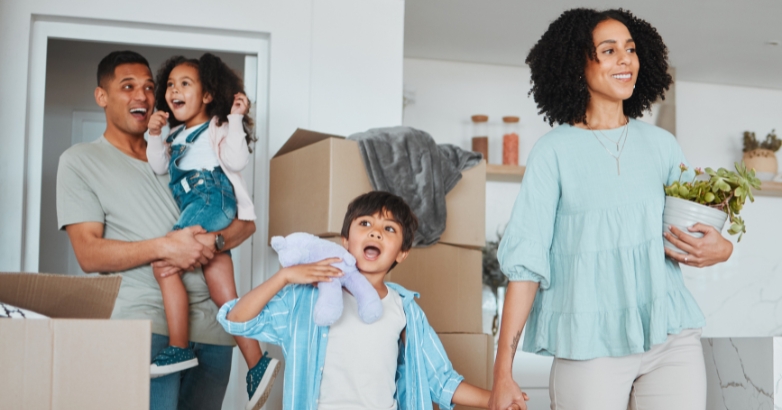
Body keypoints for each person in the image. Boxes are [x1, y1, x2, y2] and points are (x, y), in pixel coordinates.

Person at [488, 9, 733, 410]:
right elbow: (526, 266)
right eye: (608, 50)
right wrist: (503, 373)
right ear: (576, 63)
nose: (625, 60)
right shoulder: (554, 152)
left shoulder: (662, 146)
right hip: (589, 341)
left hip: (670, 338)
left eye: (631, 49)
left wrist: (723, 248)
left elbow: (696, 226)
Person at [56, 50, 255, 410]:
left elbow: (245, 224)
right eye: (127, 86)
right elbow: (88, 253)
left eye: (149, 87)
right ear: (101, 96)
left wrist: (215, 241)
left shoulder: (181, 152)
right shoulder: (80, 160)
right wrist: (167, 248)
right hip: (144, 327)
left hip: (213, 331)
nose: (143, 96)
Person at [217, 191, 520, 410]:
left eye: (389, 229)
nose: (375, 232)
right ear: (346, 241)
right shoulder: (305, 298)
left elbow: (440, 381)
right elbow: (236, 319)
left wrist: (495, 400)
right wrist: (283, 277)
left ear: (401, 253)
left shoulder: (405, 310)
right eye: (365, 224)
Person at [144, 53, 278, 410]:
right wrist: (154, 134)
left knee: (164, 263)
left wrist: (234, 119)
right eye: (170, 85)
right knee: (225, 295)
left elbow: (236, 161)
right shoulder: (174, 134)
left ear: (206, 95)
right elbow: (158, 165)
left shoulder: (218, 125)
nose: (174, 90)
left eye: (185, 84)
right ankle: (257, 363)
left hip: (210, 199)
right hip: (197, 205)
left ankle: (178, 347)